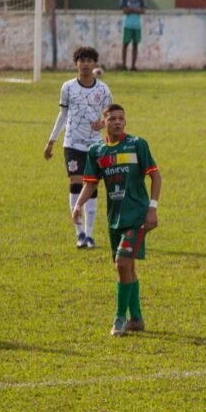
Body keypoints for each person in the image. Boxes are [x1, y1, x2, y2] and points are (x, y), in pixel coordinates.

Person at [73, 103, 162, 336]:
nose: (117, 122)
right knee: (126, 267)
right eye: (112, 118)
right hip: (115, 217)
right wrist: (79, 204)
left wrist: (152, 208)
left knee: (122, 263)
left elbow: (155, 176)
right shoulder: (97, 151)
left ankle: (120, 319)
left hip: (138, 215)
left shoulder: (137, 144)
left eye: (121, 118)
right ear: (104, 123)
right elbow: (90, 182)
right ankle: (137, 319)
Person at [44, 46, 112, 249]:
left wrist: (101, 124)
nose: (85, 64)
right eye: (81, 60)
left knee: (91, 186)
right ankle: (79, 233)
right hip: (72, 143)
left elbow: (110, 117)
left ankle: (90, 235)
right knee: (75, 184)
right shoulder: (68, 87)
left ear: (94, 64)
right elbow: (63, 115)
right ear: (76, 64)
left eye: (89, 60)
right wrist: (51, 141)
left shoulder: (103, 90)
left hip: (95, 145)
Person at [120, 0, 145, 71]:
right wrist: (136, 10)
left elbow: (143, 10)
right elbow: (124, 10)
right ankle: (123, 65)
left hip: (136, 25)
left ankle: (133, 66)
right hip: (127, 24)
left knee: (135, 45)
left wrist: (130, 9)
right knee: (125, 44)